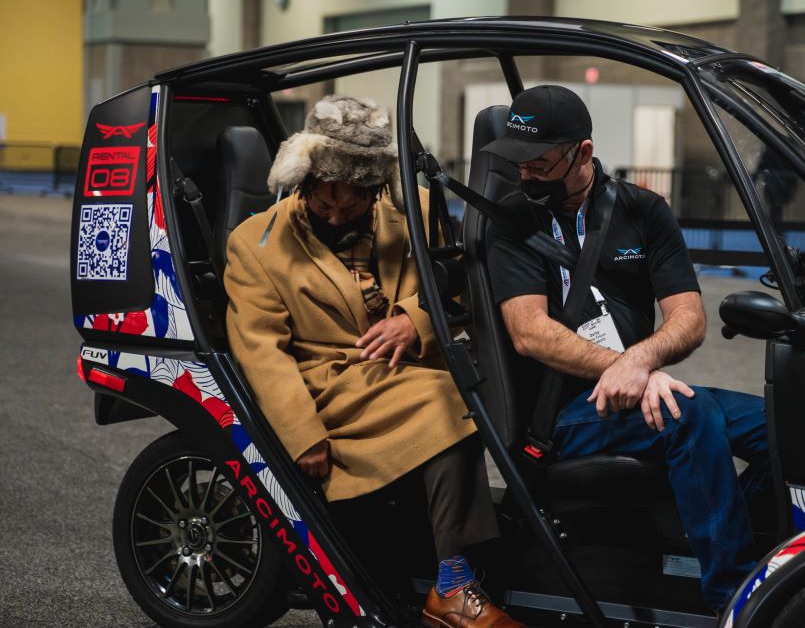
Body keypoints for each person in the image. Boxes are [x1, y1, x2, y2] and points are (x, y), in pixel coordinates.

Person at [225, 96, 523, 628]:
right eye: (323, 203)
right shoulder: (254, 244)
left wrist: (416, 320)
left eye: (352, 205)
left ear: (376, 188)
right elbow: (260, 349)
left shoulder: (420, 211)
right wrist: (302, 435)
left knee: (477, 392)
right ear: (304, 182)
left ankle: (463, 570)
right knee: (451, 404)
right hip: (326, 386)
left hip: (401, 373)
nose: (337, 216)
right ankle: (453, 584)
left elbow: (459, 292)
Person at [482, 85, 770, 613]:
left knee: (784, 427)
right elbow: (531, 333)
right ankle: (734, 599)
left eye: (539, 164)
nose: (525, 176)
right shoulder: (511, 221)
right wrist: (627, 366)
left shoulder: (643, 210)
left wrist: (640, 362)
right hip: (564, 412)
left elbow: (689, 317)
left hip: (637, 389)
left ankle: (738, 544)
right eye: (517, 163)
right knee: (689, 412)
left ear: (583, 154)